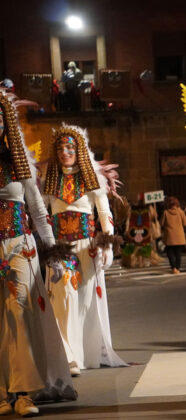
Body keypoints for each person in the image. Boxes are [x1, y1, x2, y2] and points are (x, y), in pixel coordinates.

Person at [0, 89, 77, 416]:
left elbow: (38, 211)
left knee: (18, 312)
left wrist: (53, 254)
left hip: (19, 246)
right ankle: (3, 392)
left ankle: (23, 391)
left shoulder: (20, 165)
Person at [40, 124, 127, 374]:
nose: (65, 151)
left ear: (79, 150)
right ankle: (69, 357)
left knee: (85, 300)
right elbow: (42, 214)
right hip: (60, 248)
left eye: (70, 147)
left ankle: (85, 353)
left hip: (86, 246)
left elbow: (104, 213)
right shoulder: (49, 180)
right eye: (60, 147)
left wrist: (107, 246)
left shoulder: (92, 179)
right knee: (63, 296)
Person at [160, 196, 186, 274]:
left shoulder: (165, 212)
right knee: (178, 253)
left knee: (170, 252)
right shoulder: (181, 212)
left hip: (169, 236)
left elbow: (161, 223)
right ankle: (178, 268)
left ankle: (173, 268)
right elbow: (185, 223)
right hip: (179, 236)